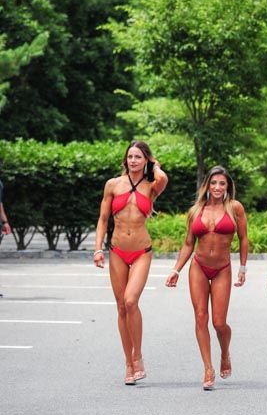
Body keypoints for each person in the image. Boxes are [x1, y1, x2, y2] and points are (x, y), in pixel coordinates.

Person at [165, 166, 248, 390]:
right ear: (207, 185)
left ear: (228, 186)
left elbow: (243, 238)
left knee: (219, 323)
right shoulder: (196, 210)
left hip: (222, 268)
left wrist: (243, 268)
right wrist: (176, 270)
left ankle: (224, 352)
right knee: (201, 317)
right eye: (213, 183)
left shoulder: (235, 208)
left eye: (222, 183)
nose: (217, 187)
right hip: (198, 267)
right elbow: (188, 244)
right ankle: (208, 368)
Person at [93, 141, 168, 385]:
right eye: (130, 157)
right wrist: (98, 249)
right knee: (121, 307)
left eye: (138, 157)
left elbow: (163, 178)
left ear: (146, 160)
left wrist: (155, 165)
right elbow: (103, 219)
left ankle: (138, 356)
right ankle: (128, 363)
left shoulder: (152, 186)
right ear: (125, 160)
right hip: (117, 251)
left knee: (130, 300)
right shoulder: (113, 185)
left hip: (141, 251)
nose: (133, 160)